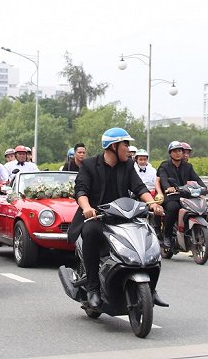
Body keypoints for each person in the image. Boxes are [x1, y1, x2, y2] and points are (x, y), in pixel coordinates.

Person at [68, 127, 165, 309]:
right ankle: (93, 288)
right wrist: (87, 207)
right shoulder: (89, 165)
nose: (128, 149)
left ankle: (151, 289)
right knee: (90, 232)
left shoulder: (128, 165)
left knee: (147, 233)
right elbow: (80, 190)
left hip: (124, 216)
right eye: (125, 145)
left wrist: (152, 203)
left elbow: (139, 187)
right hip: (97, 217)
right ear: (113, 146)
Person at [157, 140, 206, 249]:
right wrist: (168, 188)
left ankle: (195, 232)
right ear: (170, 153)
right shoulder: (164, 166)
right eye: (175, 151)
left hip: (185, 195)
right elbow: (163, 180)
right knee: (173, 207)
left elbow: (196, 179)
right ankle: (167, 235)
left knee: (202, 207)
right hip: (170, 196)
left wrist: (205, 188)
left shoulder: (188, 166)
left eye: (180, 150)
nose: (178, 153)